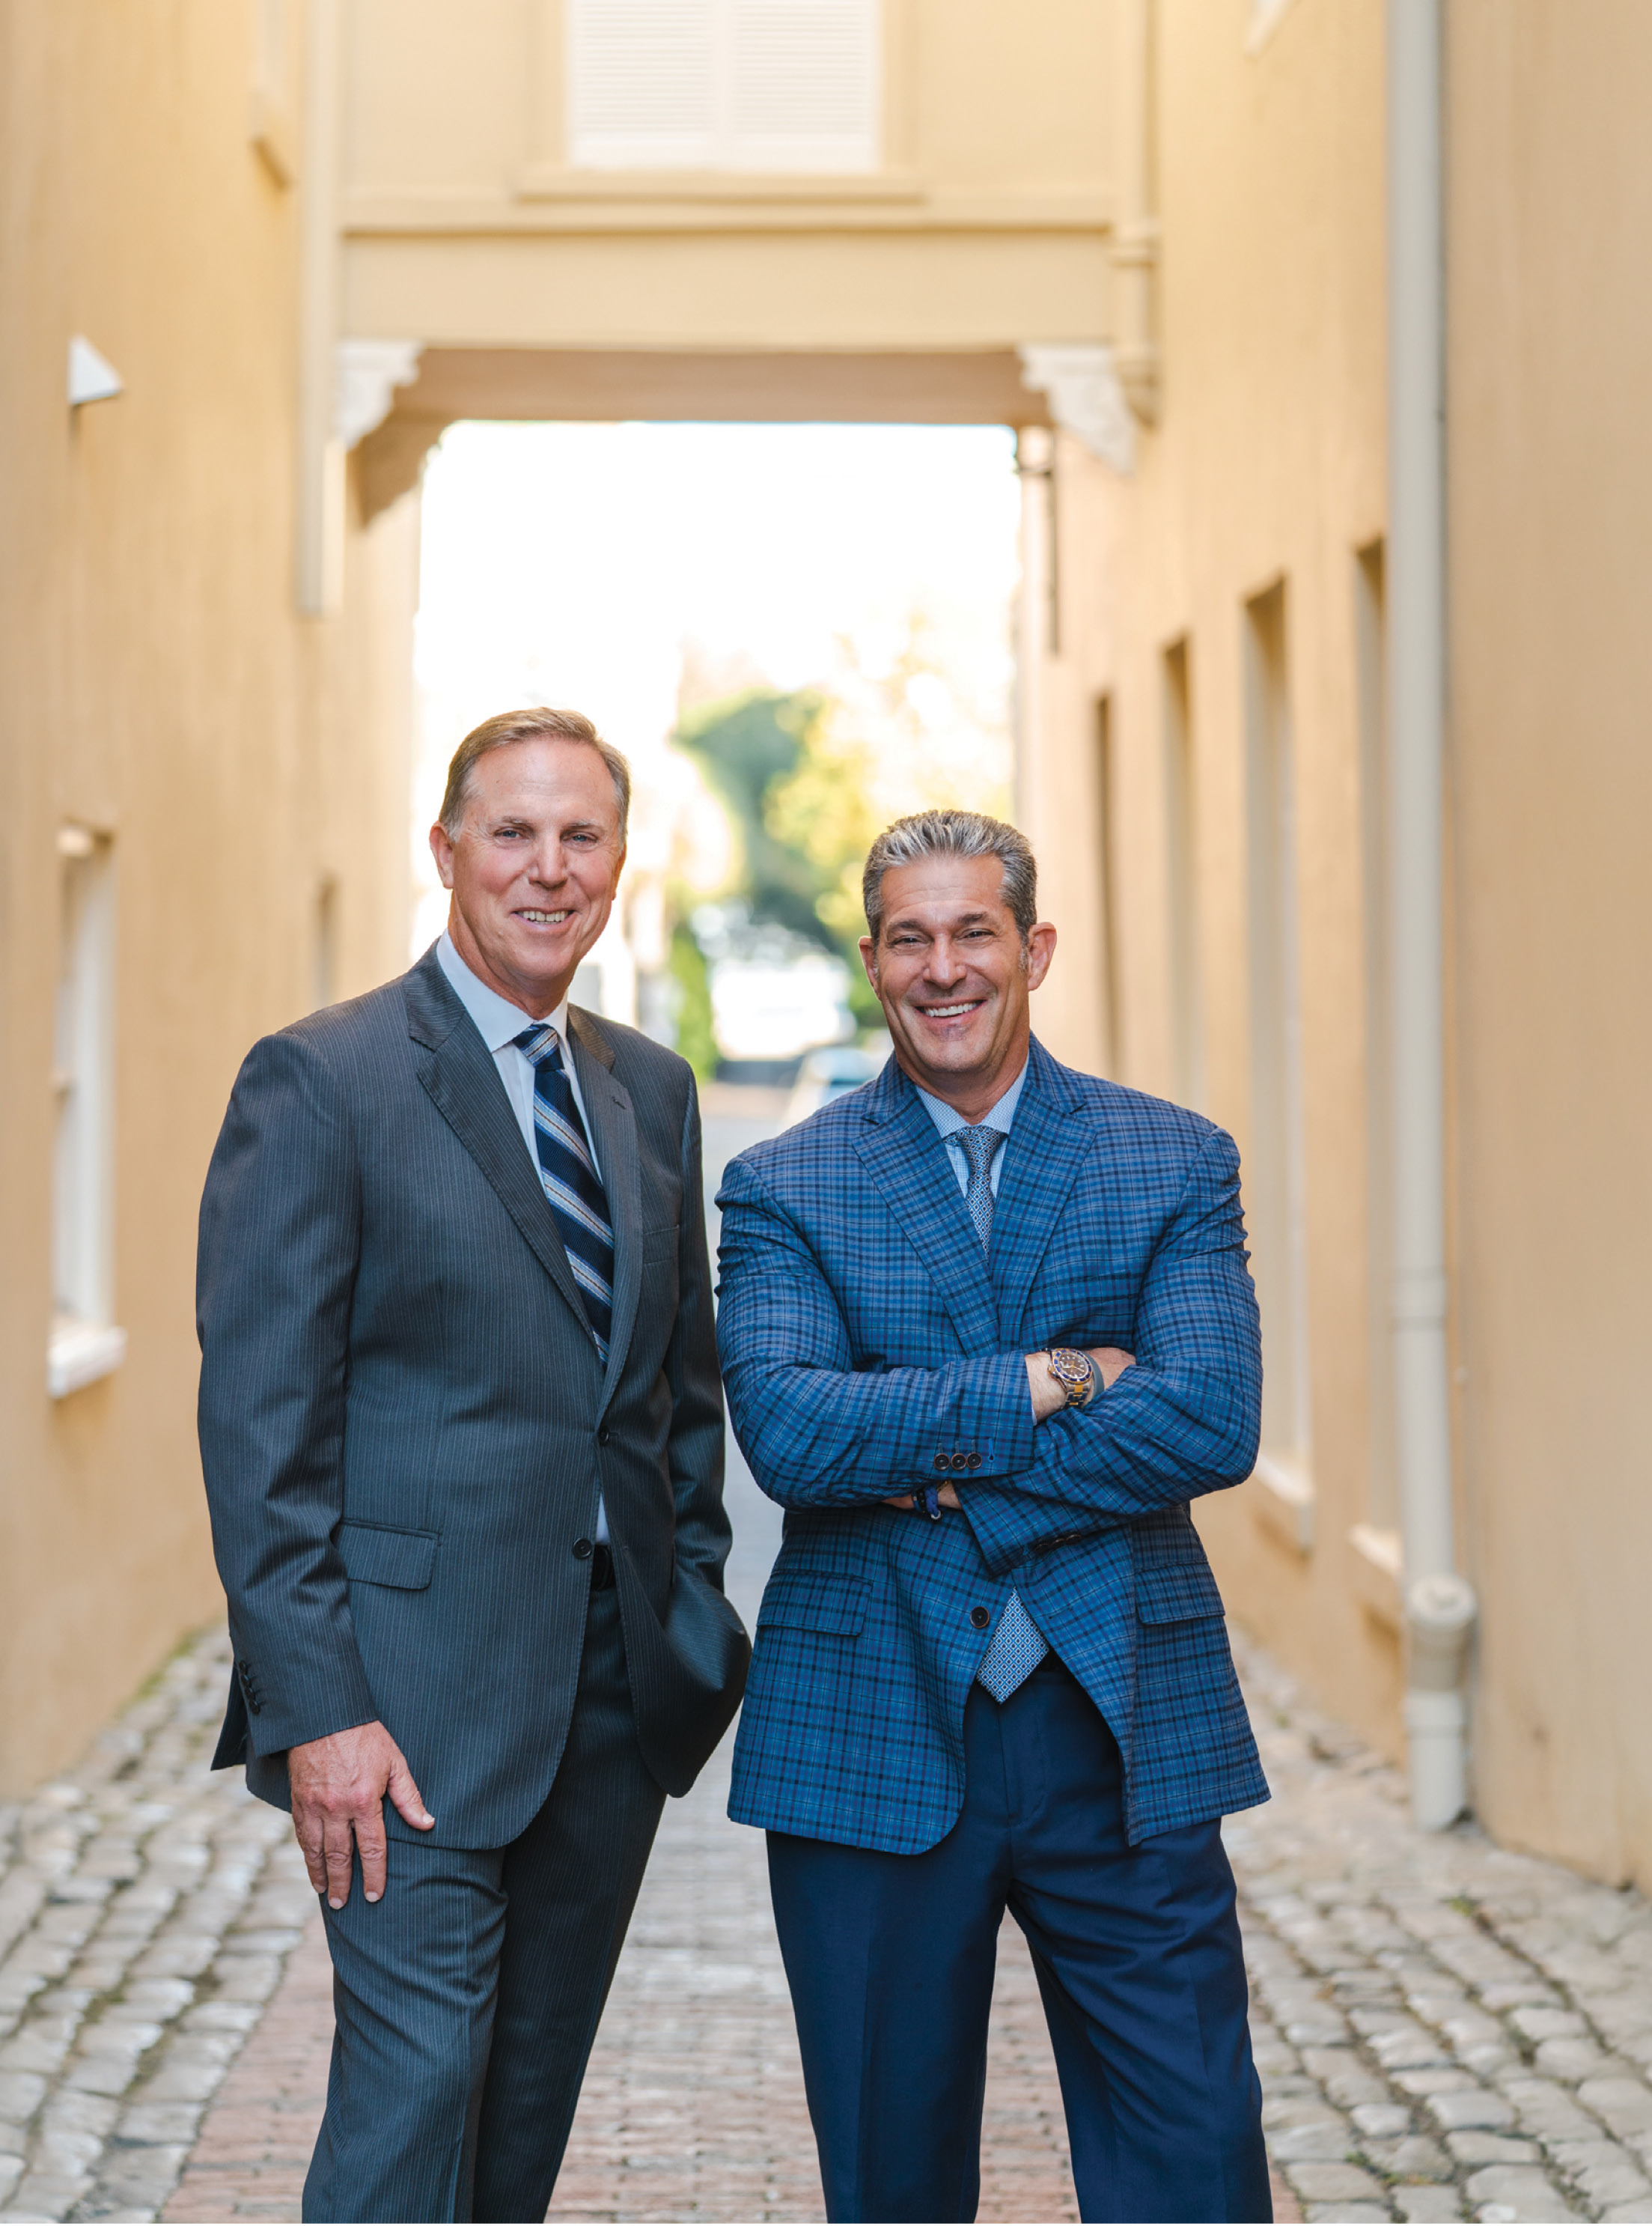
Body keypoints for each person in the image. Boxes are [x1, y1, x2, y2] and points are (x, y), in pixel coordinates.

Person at [196, 707, 749, 2224]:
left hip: (610, 1698)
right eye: (513, 831)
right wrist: (321, 1708)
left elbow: (672, 1391)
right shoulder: (325, 1079)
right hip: (405, 1701)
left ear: (620, 863)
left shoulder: (648, 1087)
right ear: (445, 851)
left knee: (522, 2109)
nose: (548, 868)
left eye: (582, 836)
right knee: (415, 2089)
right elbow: (262, 1431)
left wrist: (687, 1605)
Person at [716, 808, 1273, 2225]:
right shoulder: (784, 1185)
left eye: (974, 932)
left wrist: (925, 1452)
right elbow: (788, 1434)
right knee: (888, 2176)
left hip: (1123, 1718)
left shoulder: (1171, 1159)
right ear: (870, 960)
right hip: (872, 1725)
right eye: (911, 937)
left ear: (1032, 949)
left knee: (1194, 2159)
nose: (943, 967)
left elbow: (1208, 1418)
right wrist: (1054, 1379)